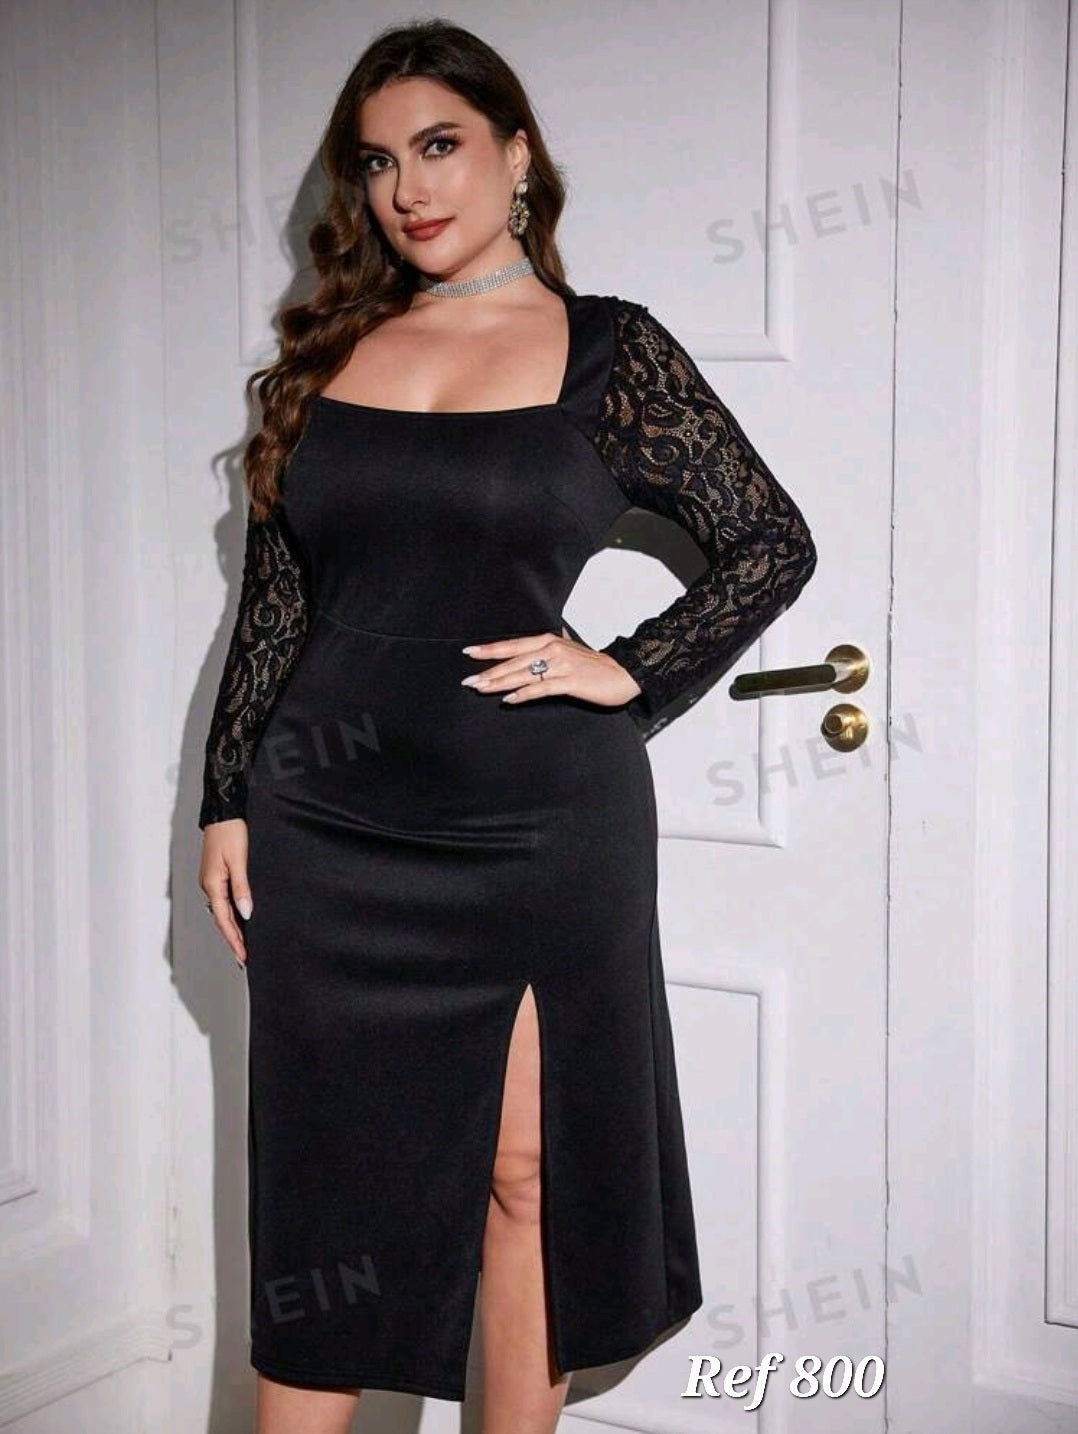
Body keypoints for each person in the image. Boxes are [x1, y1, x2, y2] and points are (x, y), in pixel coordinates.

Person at [197, 17, 817, 1434]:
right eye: (376, 162)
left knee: (527, 1174)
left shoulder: (610, 351)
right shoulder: (328, 354)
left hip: (535, 824)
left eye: (440, 146)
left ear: (516, 154)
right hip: (326, 823)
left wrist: (632, 670)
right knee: (320, 1192)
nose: (408, 188)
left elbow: (770, 541)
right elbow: (277, 606)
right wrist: (227, 794)